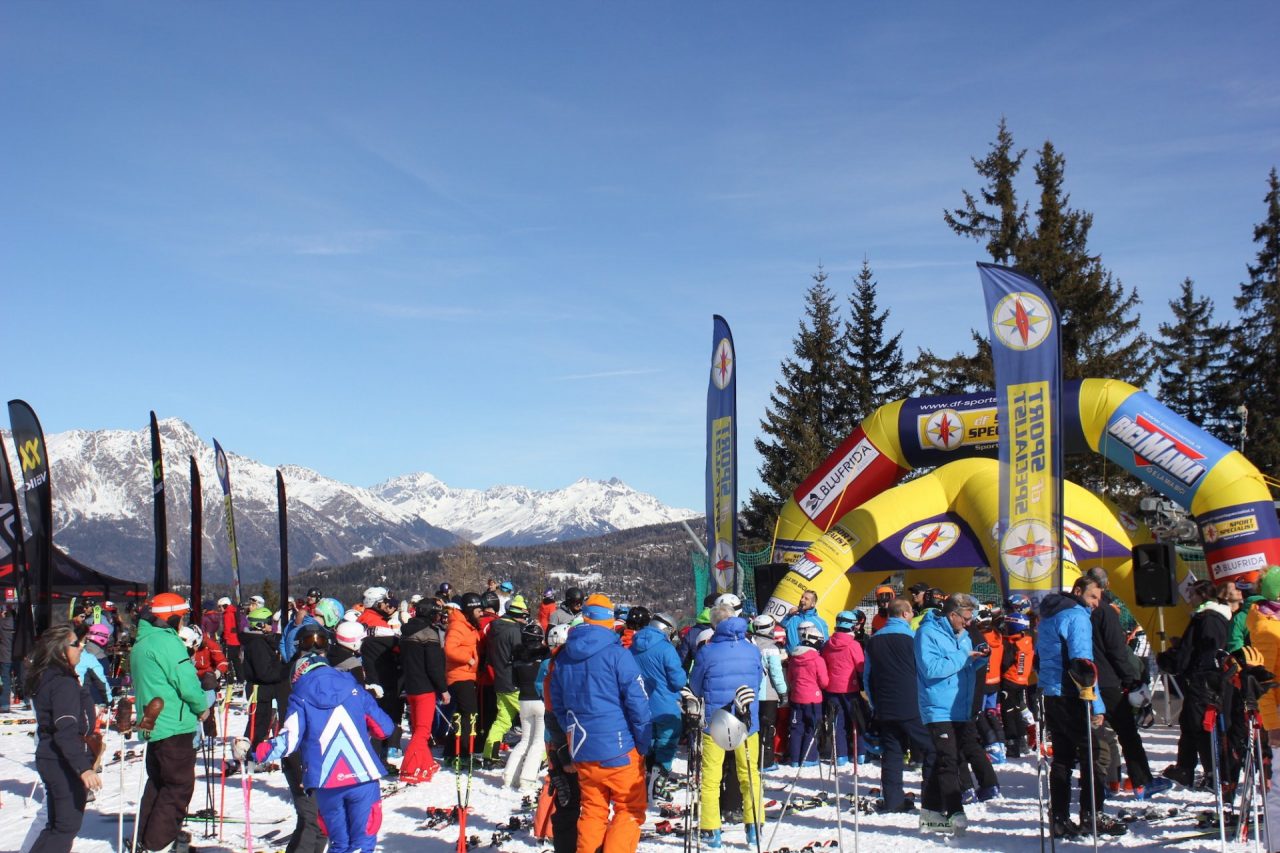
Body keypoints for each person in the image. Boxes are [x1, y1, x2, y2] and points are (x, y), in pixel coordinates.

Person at [247, 653, 396, 853]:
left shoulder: (299, 696)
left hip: (327, 780)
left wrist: (255, 753)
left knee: (340, 844)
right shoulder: (355, 689)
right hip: (363, 774)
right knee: (363, 843)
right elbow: (384, 728)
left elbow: (288, 742)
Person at [549, 593, 652, 853]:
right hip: (619, 748)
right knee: (629, 810)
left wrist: (572, 733)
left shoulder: (564, 656)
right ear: (610, 620)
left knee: (593, 811)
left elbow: (557, 704)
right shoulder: (617, 654)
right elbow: (638, 703)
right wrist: (642, 743)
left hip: (583, 748)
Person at [1038, 576, 1126, 839]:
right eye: (1092, 597)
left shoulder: (1049, 615)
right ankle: (1092, 813)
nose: (1096, 604)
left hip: (1052, 692)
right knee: (1094, 753)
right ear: (1078, 592)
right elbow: (1083, 663)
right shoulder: (1076, 616)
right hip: (1073, 692)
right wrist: (1095, 704)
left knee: (1063, 757)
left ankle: (1059, 818)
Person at [130, 592, 210, 853]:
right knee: (178, 786)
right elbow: (185, 680)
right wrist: (201, 706)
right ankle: (158, 844)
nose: (183, 622)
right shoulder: (167, 643)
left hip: (155, 725)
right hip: (173, 724)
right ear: (172, 617)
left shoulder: (143, 641)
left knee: (158, 784)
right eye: (182, 616)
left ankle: (143, 838)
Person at [914, 592, 994, 835]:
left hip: (960, 707)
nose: (969, 623)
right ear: (952, 615)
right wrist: (963, 656)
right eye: (966, 618)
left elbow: (963, 665)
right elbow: (932, 668)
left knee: (945, 759)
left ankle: (930, 814)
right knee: (949, 760)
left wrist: (979, 660)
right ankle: (955, 811)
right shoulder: (927, 633)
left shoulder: (964, 635)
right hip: (938, 707)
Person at [688, 601, 763, 849]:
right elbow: (758, 680)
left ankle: (712, 830)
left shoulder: (707, 652)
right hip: (746, 719)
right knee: (749, 774)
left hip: (716, 719)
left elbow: (696, 686)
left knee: (710, 777)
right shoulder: (752, 649)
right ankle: (754, 829)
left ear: (715, 625)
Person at [26, 624, 102, 853]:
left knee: (57, 826)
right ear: (60, 651)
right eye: (75, 644)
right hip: (61, 761)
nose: (81, 647)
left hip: (52, 757)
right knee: (65, 827)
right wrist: (83, 768)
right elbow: (65, 729)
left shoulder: (53, 676)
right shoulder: (62, 683)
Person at [864, 597, 934, 813]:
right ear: (904, 614)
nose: (913, 614)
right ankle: (932, 797)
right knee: (932, 748)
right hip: (912, 704)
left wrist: (875, 704)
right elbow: (924, 672)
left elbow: (867, 676)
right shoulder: (913, 639)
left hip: (885, 705)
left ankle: (893, 801)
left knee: (892, 753)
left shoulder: (873, 640)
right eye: (911, 611)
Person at [632, 608, 687, 796]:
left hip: (640, 704)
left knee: (648, 742)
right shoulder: (666, 648)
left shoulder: (633, 646)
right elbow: (678, 680)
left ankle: (645, 779)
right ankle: (659, 782)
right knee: (667, 742)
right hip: (665, 704)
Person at [399, 598, 448, 784]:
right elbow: (434, 666)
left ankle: (427, 762)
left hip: (410, 686)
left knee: (418, 728)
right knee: (422, 731)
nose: (438, 617)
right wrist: (443, 689)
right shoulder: (429, 633)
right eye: (436, 613)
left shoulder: (405, 631)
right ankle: (409, 769)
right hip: (425, 687)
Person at [504, 622, 550, 790]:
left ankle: (509, 776)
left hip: (523, 699)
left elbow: (514, 680)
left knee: (525, 740)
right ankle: (527, 779)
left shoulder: (517, 655)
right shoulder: (545, 654)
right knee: (538, 742)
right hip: (540, 700)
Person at [484, 594, 529, 761]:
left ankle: (490, 754)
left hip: (499, 679)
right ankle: (540, 756)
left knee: (502, 720)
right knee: (534, 721)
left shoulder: (495, 627)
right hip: (513, 682)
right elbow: (520, 656)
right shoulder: (514, 631)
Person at [242, 606, 289, 752]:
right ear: (260, 624)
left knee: (262, 724)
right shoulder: (257, 644)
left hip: (263, 691)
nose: (272, 625)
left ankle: (255, 753)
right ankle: (251, 754)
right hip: (259, 691)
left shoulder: (260, 641)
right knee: (258, 726)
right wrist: (284, 672)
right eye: (269, 622)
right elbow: (264, 672)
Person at [822, 610, 865, 766]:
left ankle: (840, 755)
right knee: (857, 720)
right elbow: (861, 667)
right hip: (850, 688)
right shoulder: (854, 645)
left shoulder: (827, 644)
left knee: (837, 722)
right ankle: (859, 753)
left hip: (832, 688)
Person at [445, 592, 485, 760]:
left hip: (467, 675)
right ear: (469, 610)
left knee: (462, 714)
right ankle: (462, 752)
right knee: (469, 715)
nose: (481, 613)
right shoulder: (458, 626)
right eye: (478, 610)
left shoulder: (468, 625)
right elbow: (449, 649)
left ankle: (452, 751)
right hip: (460, 677)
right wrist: (469, 659)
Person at [749, 615, 788, 772]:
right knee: (767, 727)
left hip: (751, 693)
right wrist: (783, 691)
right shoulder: (771, 649)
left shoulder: (750, 644)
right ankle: (766, 761)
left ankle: (752, 758)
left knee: (754, 727)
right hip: (768, 694)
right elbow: (776, 674)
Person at [787, 622, 828, 766]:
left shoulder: (793, 658)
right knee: (812, 727)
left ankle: (794, 758)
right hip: (813, 698)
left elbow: (790, 678)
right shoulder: (818, 659)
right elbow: (824, 682)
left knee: (796, 728)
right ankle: (809, 758)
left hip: (796, 696)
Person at [219, 596, 244, 685]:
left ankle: (229, 680)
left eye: (220, 606)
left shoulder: (227, 614)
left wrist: (224, 639)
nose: (220, 609)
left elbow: (228, 628)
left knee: (226, 660)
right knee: (236, 660)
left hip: (230, 641)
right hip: (237, 640)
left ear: (225, 606)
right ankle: (241, 679)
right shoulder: (234, 611)